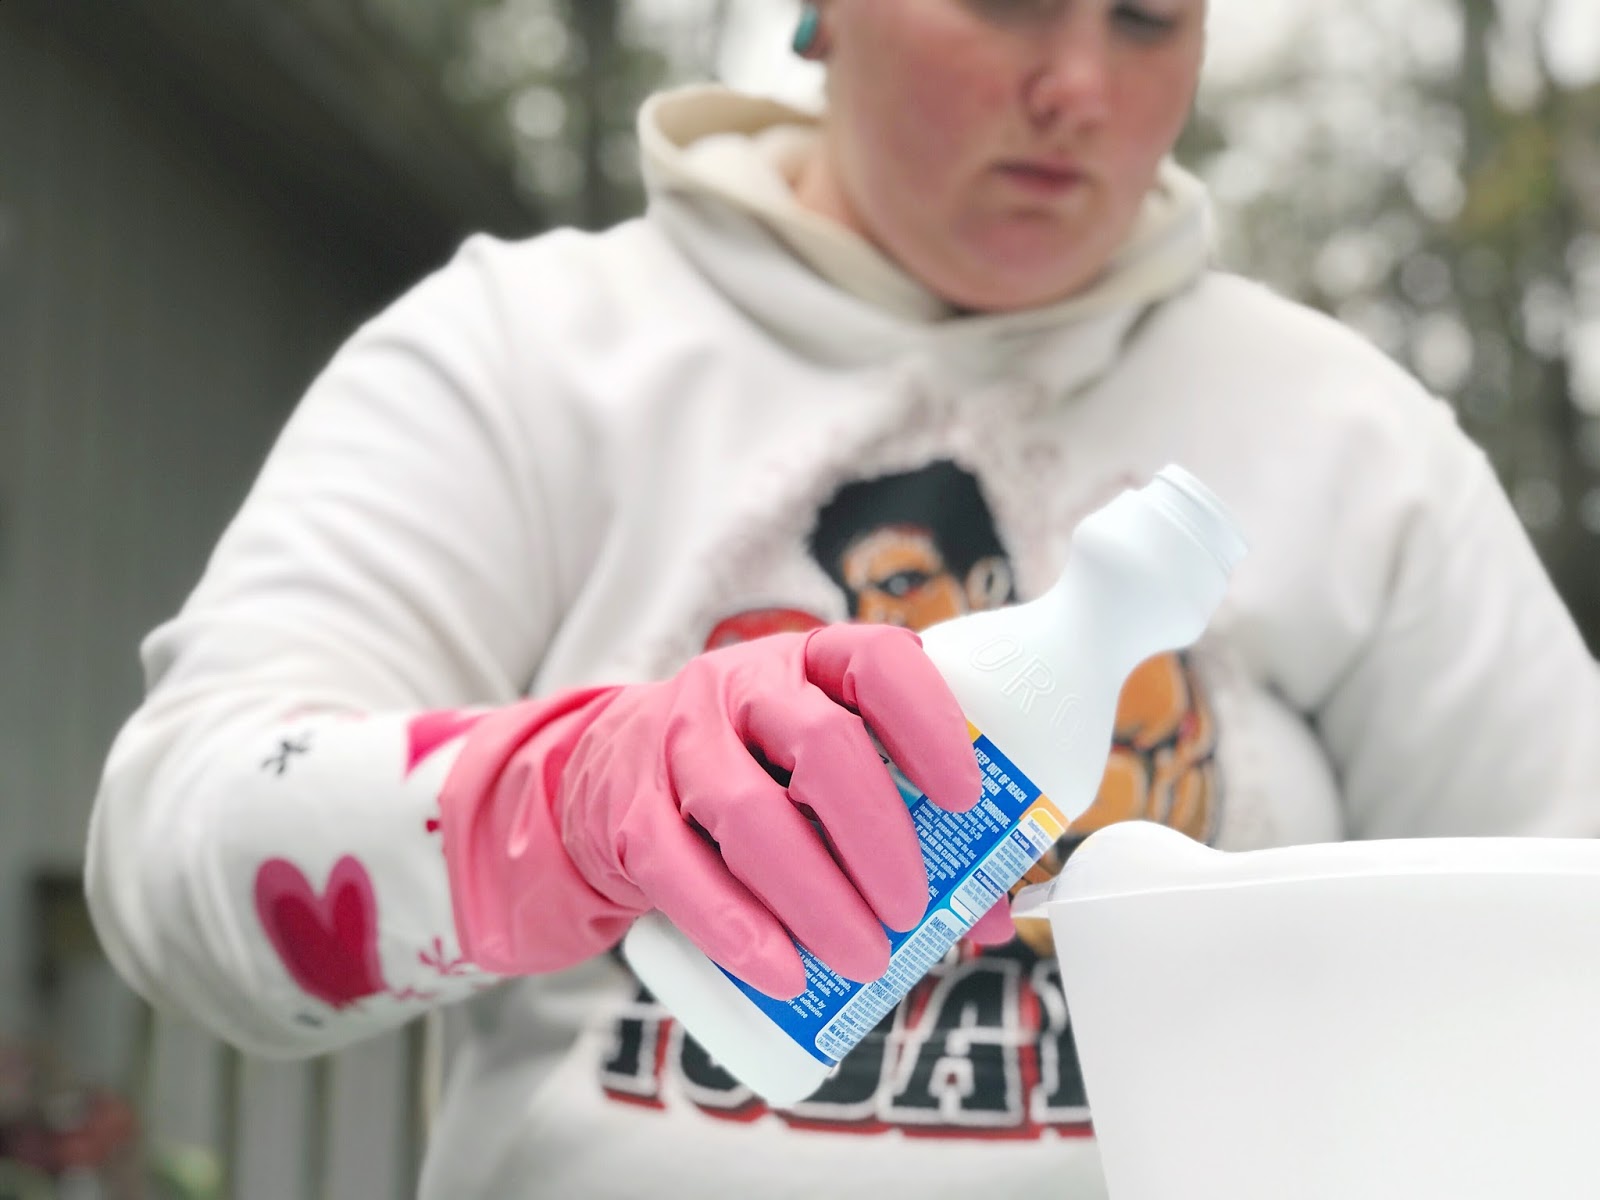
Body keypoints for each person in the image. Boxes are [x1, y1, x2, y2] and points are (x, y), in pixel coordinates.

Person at [85, 0, 1600, 1196]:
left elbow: (1569, 925)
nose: (1080, 84)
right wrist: (550, 806)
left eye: (1148, 16)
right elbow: (178, 864)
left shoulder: (1338, 429)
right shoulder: (531, 359)